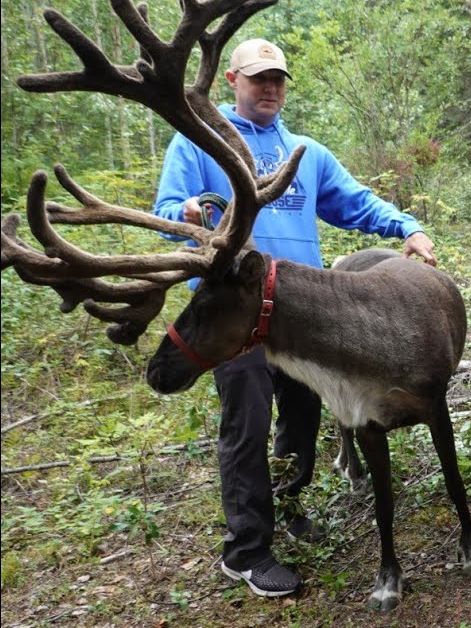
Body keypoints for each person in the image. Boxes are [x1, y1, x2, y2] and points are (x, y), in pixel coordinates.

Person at [154, 38, 438, 598]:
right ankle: (247, 551)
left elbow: (356, 201)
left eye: (278, 78)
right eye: (259, 77)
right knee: (247, 425)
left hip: (302, 316)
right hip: (234, 320)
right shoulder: (196, 145)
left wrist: (408, 227)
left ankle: (285, 507)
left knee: (303, 416)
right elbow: (164, 215)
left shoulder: (303, 153)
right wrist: (184, 211)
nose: (270, 87)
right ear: (232, 79)